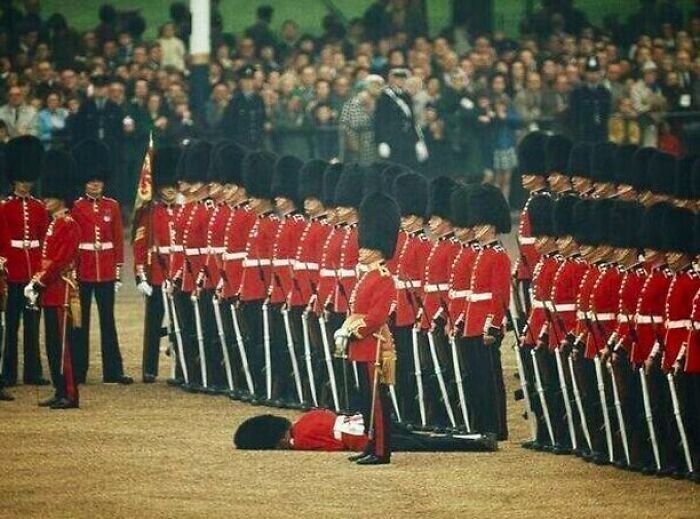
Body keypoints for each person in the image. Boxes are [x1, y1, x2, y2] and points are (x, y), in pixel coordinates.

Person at [334, 190, 400, 465]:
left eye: (365, 247)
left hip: (373, 345)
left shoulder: (383, 277)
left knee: (377, 403)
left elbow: (376, 316)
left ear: (377, 248)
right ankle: (371, 444)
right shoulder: (367, 276)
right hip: (361, 346)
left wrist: (354, 330)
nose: (359, 251)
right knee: (366, 400)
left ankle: (382, 451)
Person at [71, 139, 132, 385]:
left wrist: (118, 271)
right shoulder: (76, 206)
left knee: (108, 322)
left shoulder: (112, 206)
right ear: (85, 182)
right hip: (83, 270)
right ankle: (78, 370)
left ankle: (113, 371)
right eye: (91, 180)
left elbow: (117, 239)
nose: (95, 184)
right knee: (80, 323)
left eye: (98, 181)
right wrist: (73, 271)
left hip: (106, 270)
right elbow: (74, 241)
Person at [26, 148, 81, 409]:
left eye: (50, 196)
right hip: (49, 291)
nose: (45, 199)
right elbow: (45, 259)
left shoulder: (69, 224)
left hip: (60, 292)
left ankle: (70, 393)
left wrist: (39, 281)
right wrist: (36, 281)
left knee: (62, 347)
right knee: (51, 343)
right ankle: (58, 388)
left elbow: (59, 261)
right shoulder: (53, 223)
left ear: (61, 197)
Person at [0, 136, 49, 387]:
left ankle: (33, 371)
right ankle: (8, 373)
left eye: (28, 181)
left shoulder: (40, 207)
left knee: (32, 324)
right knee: (11, 326)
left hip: (33, 274)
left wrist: (41, 273)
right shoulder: (4, 208)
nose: (25, 186)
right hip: (13, 271)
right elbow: (4, 241)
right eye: (21, 181)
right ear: (13, 180)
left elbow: (43, 241)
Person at [233, 408, 497, 452]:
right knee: (425, 438)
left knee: (428, 444)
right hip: (372, 422)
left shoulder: (300, 438)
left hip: (367, 438)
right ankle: (475, 437)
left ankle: (478, 443)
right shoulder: (306, 419)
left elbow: (335, 446)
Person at [132, 146, 180, 383]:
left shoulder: (184, 211)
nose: (170, 190)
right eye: (166, 186)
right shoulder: (150, 212)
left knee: (180, 324)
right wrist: (140, 276)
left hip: (179, 275)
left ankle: (180, 369)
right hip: (158, 275)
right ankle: (149, 368)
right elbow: (140, 245)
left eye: (173, 186)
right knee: (153, 325)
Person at [374, 68, 427, 169]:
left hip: (407, 139)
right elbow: (380, 121)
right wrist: (382, 141)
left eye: (403, 79)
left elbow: (412, 121)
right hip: (392, 139)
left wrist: (418, 140)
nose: (400, 81)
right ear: (390, 79)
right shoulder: (384, 97)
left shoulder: (406, 96)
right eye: (397, 78)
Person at [220, 65, 266, 150]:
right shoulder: (235, 101)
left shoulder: (259, 100)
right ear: (240, 82)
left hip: (257, 143)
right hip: (240, 143)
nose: (248, 83)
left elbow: (262, 120)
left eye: (250, 80)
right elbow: (228, 123)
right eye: (245, 80)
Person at [569, 57, 611, 143]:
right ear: (585, 74)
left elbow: (607, 114)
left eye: (596, 73)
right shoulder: (577, 92)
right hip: (583, 132)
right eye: (590, 73)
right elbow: (574, 115)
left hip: (600, 131)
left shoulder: (605, 92)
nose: (593, 75)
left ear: (600, 74)